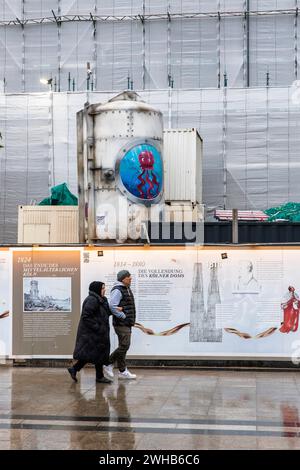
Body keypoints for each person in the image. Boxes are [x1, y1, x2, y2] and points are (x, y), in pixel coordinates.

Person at [67, 281, 112, 384]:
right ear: (97, 289)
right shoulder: (92, 300)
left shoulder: (101, 300)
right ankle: (98, 376)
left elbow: (104, 313)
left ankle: (75, 369)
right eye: (103, 288)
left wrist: (113, 310)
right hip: (92, 333)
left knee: (95, 354)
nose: (104, 290)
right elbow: (86, 316)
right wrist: (98, 327)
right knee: (92, 354)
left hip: (97, 333)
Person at [103, 270, 137, 380]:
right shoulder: (118, 290)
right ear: (123, 279)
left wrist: (128, 318)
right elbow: (112, 306)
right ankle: (108, 363)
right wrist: (123, 316)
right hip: (121, 323)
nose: (130, 278)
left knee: (123, 346)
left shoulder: (126, 288)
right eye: (128, 277)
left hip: (126, 323)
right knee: (125, 345)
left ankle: (122, 371)